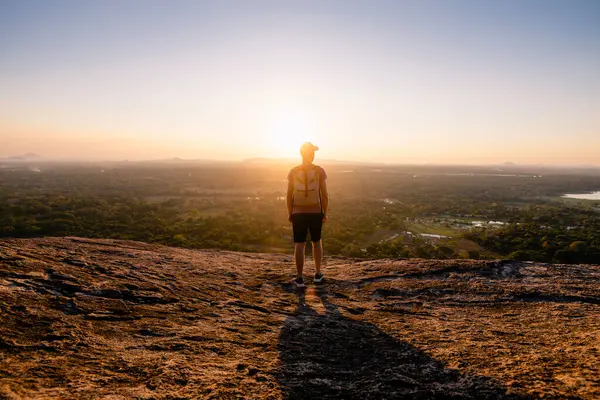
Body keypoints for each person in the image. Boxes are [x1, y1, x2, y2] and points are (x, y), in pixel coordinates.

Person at [286, 142, 329, 288]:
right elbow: (324, 194)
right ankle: (317, 274)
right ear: (311, 154)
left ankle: (299, 278)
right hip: (315, 211)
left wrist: (290, 212)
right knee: (316, 242)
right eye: (313, 152)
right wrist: (325, 212)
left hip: (298, 212)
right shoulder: (319, 171)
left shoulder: (293, 171)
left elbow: (288, 195)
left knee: (299, 244)